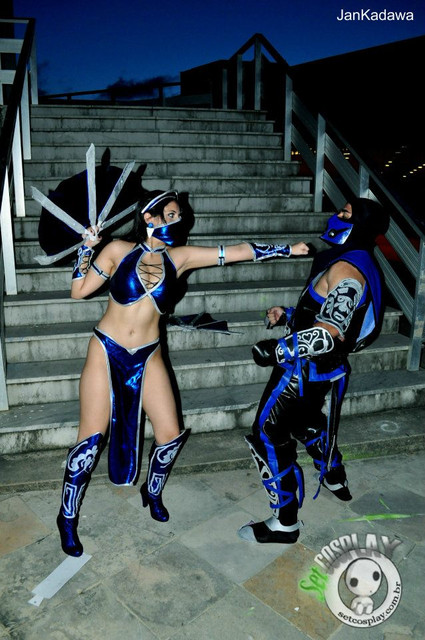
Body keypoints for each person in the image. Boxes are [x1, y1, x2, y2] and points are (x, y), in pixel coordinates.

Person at [57, 189, 310, 556]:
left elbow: (234, 252)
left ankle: (152, 492)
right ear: (150, 217)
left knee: (169, 434)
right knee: (90, 441)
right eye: (172, 214)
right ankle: (67, 517)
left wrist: (287, 249)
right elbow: (79, 292)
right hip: (106, 350)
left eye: (180, 216)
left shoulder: (180, 257)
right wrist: (87, 249)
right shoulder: (117, 250)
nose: (179, 221)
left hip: (149, 354)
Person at [238, 197, 389, 544]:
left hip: (302, 369)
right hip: (321, 368)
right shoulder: (353, 259)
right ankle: (334, 476)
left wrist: (277, 349)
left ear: (360, 225)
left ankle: (285, 522)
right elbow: (329, 315)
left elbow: (330, 331)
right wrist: (289, 314)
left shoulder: (347, 268)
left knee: (268, 433)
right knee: (304, 421)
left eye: (346, 213)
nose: (337, 215)